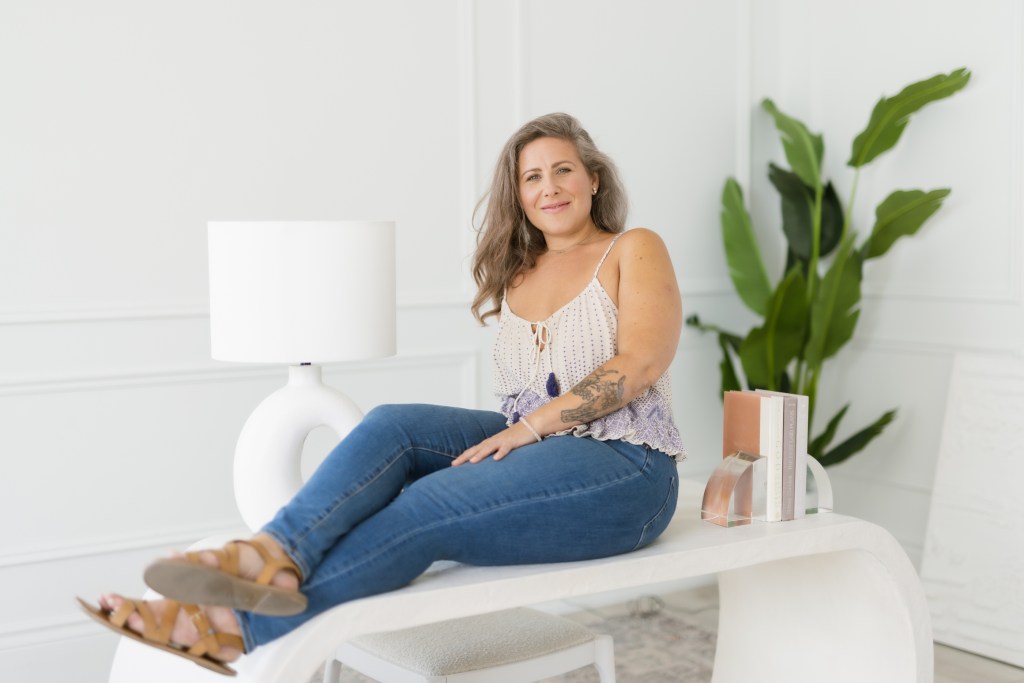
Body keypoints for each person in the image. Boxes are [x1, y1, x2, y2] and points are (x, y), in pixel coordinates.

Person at [77, 112, 685, 675]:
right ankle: (269, 553)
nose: (549, 187)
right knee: (394, 424)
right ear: (519, 194)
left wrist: (527, 430)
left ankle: (233, 627)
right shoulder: (519, 272)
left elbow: (640, 362)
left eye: (562, 171)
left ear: (594, 179)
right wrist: (525, 432)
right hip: (537, 447)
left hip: (626, 467)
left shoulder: (632, 247)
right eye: (532, 177)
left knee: (430, 503)